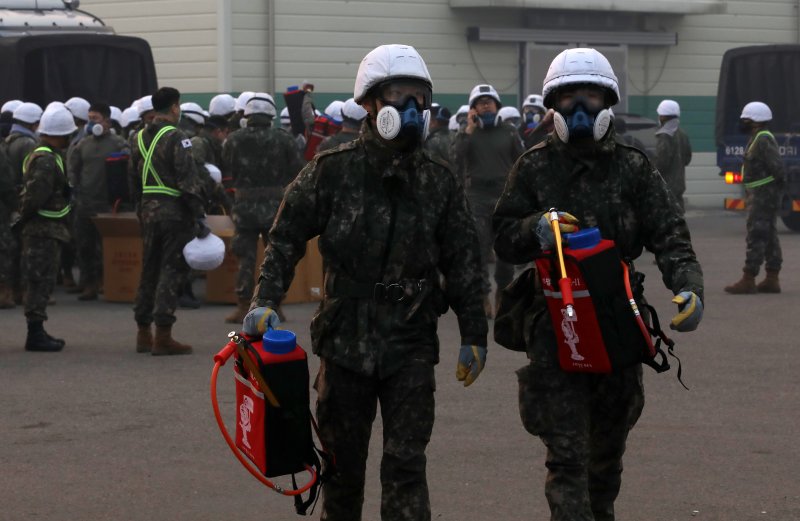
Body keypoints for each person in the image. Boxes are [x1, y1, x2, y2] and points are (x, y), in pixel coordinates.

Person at [244, 44, 487, 521]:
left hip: (412, 342)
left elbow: (464, 261)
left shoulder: (438, 180)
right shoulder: (333, 171)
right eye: (401, 96)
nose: (413, 109)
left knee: (406, 465)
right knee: (341, 468)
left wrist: (475, 333)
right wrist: (265, 299)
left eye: (421, 98)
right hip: (344, 343)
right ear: (370, 103)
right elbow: (286, 237)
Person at [493, 47, 704, 521]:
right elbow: (502, 237)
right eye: (570, 99)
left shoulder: (633, 166)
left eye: (591, 96)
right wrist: (535, 231)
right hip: (556, 324)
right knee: (566, 459)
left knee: (606, 460)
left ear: (607, 101)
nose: (581, 109)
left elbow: (671, 234)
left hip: (617, 321)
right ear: (554, 105)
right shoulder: (533, 166)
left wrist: (689, 286)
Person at [129, 87, 207, 355]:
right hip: (173, 211)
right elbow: (187, 179)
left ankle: (143, 332)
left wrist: (140, 208)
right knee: (170, 270)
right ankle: (163, 334)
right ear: (174, 107)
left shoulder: (137, 137)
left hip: (147, 209)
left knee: (148, 268)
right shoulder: (177, 137)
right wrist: (198, 213)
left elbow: (133, 179)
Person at [222, 93, 303, 323]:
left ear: (247, 115)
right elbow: (297, 171)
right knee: (275, 258)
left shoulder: (233, 139)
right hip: (275, 207)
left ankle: (242, 306)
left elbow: (227, 170)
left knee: (245, 258)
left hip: (244, 206)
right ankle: (274, 305)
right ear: (271, 115)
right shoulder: (284, 139)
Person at [452, 83, 523, 318]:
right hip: (477, 198)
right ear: (473, 109)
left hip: (504, 197)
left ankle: (502, 293)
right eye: (480, 103)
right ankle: (483, 295)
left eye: (489, 101)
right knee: (480, 251)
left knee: (505, 251)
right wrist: (469, 129)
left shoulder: (509, 132)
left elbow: (520, 162)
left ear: (497, 106)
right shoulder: (467, 133)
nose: (485, 105)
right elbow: (455, 158)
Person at [18, 103, 78, 351]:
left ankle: (38, 330)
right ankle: (35, 334)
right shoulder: (45, 160)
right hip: (42, 230)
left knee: (42, 280)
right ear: (61, 134)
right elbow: (34, 197)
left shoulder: (48, 155)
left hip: (46, 228)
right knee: (39, 280)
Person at [67, 102, 129, 301]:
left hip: (109, 204)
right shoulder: (83, 144)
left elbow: (129, 170)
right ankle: (89, 284)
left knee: (106, 247)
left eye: (95, 119)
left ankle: (107, 282)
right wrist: (76, 190)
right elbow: (73, 169)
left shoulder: (119, 143)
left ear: (107, 121)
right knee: (84, 247)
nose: (91, 123)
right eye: (89, 119)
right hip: (85, 203)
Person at [724, 101, 784, 294]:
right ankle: (772, 278)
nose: (743, 123)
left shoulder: (763, 139)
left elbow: (777, 168)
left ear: (756, 121)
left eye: (746, 120)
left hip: (763, 195)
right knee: (769, 235)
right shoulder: (757, 137)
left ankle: (749, 278)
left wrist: (771, 193)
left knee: (757, 234)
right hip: (761, 193)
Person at [3, 102, 42, 305]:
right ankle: (23, 292)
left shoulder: (8, 140)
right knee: (25, 248)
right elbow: (31, 174)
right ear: (34, 123)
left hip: (9, 200)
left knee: (12, 248)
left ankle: (12, 289)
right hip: (21, 199)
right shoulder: (28, 144)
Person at [654, 99, 692, 210]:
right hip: (678, 187)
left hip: (665, 188)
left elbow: (661, 163)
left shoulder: (665, 135)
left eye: (660, 115)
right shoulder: (682, 134)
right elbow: (687, 159)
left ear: (663, 117)